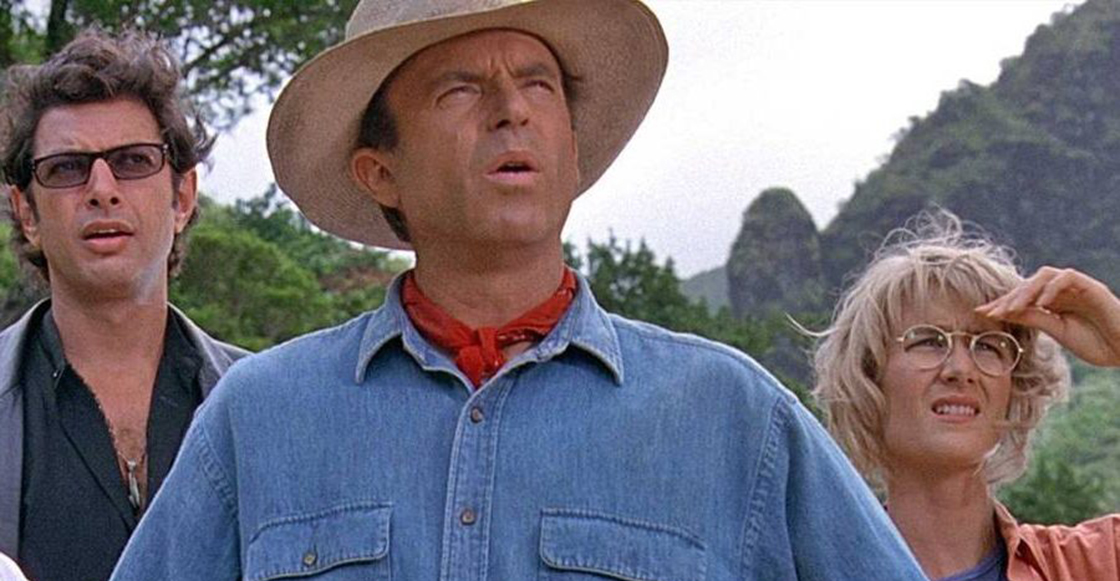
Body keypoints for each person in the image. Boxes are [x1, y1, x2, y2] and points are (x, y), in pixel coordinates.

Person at [111, 1, 927, 579]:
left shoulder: (731, 415)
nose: (512, 111)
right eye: (460, 89)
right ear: (380, 171)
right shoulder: (260, 419)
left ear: (573, 148)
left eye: (539, 84)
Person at [0, 30, 248, 580]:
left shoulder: (268, 407)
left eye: (133, 161)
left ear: (182, 197)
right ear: (27, 213)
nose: (102, 188)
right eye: (66, 167)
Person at [812, 211, 1120, 581]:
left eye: (988, 345)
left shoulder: (1090, 564)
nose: (961, 369)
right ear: (869, 375)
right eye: (928, 341)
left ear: (1015, 386)